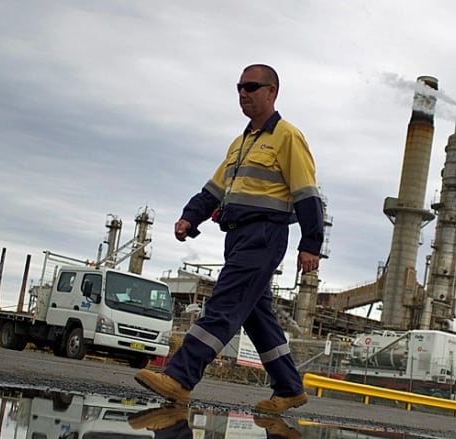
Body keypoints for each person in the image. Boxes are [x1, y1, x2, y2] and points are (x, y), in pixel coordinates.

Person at [135, 64, 324, 415]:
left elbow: (307, 193)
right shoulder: (240, 143)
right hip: (237, 237)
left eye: (251, 87)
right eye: (239, 87)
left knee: (224, 303)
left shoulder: (287, 136)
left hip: (265, 235)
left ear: (272, 92)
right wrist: (190, 216)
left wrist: (311, 243)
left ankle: (179, 378)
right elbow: (216, 188)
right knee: (256, 316)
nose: (243, 93)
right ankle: (289, 387)